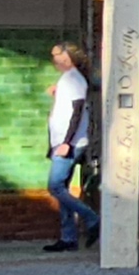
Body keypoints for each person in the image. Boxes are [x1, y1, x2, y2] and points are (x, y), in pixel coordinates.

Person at [43, 40, 95, 252]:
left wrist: (66, 143)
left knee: (54, 186)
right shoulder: (68, 80)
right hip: (62, 142)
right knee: (61, 187)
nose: (55, 60)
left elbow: (77, 112)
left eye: (57, 56)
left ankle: (92, 219)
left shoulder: (74, 80)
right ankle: (68, 238)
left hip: (69, 144)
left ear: (67, 58)